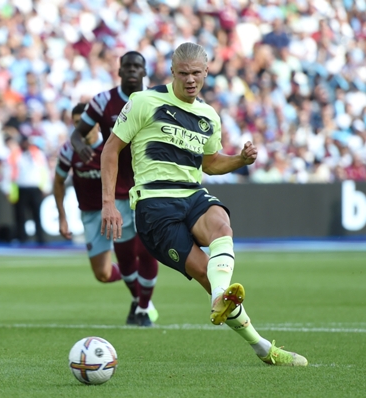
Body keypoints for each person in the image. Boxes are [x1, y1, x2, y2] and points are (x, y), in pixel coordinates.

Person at [101, 42, 308, 366]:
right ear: (172, 72)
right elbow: (110, 150)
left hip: (191, 193)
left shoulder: (208, 116)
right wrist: (108, 203)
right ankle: (262, 348)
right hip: (154, 203)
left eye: (196, 73)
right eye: (183, 73)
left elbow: (209, 162)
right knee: (208, 276)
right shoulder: (144, 101)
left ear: (207, 72)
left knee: (222, 226)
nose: (190, 80)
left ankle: (219, 300)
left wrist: (239, 159)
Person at [70, 51, 160, 326]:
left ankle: (144, 307)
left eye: (137, 66)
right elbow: (76, 133)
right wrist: (81, 145)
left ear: (144, 72)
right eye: (127, 66)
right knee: (124, 254)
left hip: (149, 187)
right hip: (118, 191)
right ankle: (138, 298)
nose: (132, 70)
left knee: (146, 250)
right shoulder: (103, 101)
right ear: (119, 71)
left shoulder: (157, 100)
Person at [54, 103, 158, 326]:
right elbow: (58, 181)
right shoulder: (68, 151)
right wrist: (62, 216)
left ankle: (141, 302)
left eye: (86, 123)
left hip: (120, 206)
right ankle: (139, 284)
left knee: (136, 252)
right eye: (77, 124)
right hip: (91, 214)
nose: (83, 128)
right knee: (102, 274)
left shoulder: (114, 145)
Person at [6, 133, 49, 244]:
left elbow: (44, 170)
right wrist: (7, 189)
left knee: (37, 214)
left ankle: (40, 238)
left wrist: (45, 186)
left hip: (35, 187)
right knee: (20, 215)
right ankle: (22, 237)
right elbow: (9, 171)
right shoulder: (15, 154)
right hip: (21, 187)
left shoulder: (38, 154)